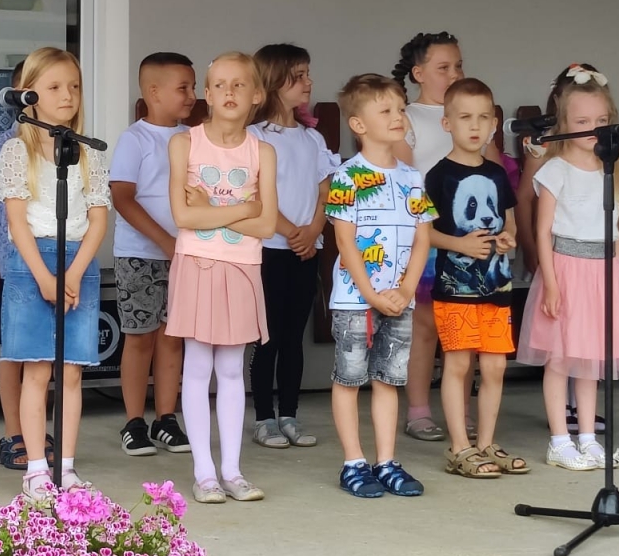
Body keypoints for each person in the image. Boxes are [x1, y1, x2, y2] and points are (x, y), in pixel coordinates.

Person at [0, 47, 110, 500]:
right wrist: (44, 277)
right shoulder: (16, 151)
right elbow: (17, 222)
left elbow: (98, 219)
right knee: (37, 371)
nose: (67, 95)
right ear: (29, 94)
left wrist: (74, 273)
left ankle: (67, 467)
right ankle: (37, 469)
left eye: (74, 86)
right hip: (31, 265)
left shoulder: (88, 152)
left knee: (72, 373)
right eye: (55, 86)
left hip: (79, 262)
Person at [515, 67, 619, 470]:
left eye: (601, 120)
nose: (593, 128)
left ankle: (588, 437)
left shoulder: (611, 166)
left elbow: (615, 224)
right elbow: (543, 231)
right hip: (567, 271)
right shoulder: (555, 170)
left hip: (603, 272)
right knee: (559, 360)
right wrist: (551, 284)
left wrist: (618, 271)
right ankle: (559, 440)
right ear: (564, 123)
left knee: (590, 362)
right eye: (582, 121)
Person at [166, 52, 277, 504]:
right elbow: (182, 216)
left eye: (239, 84)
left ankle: (232, 470)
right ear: (207, 95)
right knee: (197, 367)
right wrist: (243, 207)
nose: (229, 92)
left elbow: (267, 226)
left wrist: (210, 210)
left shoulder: (262, 151)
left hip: (243, 267)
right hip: (196, 263)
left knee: (232, 369)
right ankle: (205, 473)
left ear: (257, 95)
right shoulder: (184, 144)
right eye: (220, 85)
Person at [326, 73, 435, 499]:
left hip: (399, 299)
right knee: (349, 378)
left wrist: (406, 290)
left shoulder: (413, 177)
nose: (397, 116)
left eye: (401, 109)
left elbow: (423, 238)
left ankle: (386, 461)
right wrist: (371, 295)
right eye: (385, 110)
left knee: (389, 379)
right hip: (356, 300)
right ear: (358, 124)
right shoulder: (346, 177)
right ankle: (353, 462)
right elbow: (345, 241)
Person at [392, 31, 501, 443]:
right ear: (418, 73)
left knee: (467, 333)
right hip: (430, 236)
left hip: (474, 239)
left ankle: (462, 410)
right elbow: (406, 181)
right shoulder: (408, 118)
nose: (454, 73)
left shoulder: (473, 118)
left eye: (458, 65)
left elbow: (491, 171)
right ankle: (419, 409)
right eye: (443, 67)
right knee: (425, 327)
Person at [424, 79, 527, 478]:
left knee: (496, 367)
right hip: (456, 289)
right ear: (446, 123)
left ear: (494, 124)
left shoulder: (497, 174)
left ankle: (486, 443)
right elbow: (423, 232)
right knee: (458, 364)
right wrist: (459, 244)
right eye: (465, 117)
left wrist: (507, 238)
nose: (475, 126)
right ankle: (460, 447)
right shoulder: (438, 176)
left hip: (497, 288)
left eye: (484, 118)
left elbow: (509, 222)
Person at [248, 43, 339, 449]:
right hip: (269, 249)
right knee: (266, 336)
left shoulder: (312, 138)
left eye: (307, 74)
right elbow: (255, 194)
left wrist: (314, 228)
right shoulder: (254, 137)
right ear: (273, 82)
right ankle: (263, 417)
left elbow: (325, 191)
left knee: (293, 336)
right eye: (298, 76)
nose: (308, 82)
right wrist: (289, 231)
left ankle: (289, 414)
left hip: (306, 250)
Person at [110, 52, 196, 457]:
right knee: (140, 337)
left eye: (193, 86)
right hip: (139, 255)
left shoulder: (193, 138)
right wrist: (164, 241)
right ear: (153, 92)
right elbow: (122, 197)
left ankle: (166, 418)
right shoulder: (135, 139)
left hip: (185, 254)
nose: (192, 95)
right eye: (183, 88)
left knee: (172, 338)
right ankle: (133, 422)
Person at [514, 62, 605, 435]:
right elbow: (527, 199)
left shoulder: (607, 151)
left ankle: (582, 416)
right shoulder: (546, 147)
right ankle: (562, 418)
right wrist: (532, 249)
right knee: (560, 340)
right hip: (560, 252)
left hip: (596, 257)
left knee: (587, 340)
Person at [0, 60, 55, 471]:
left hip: (53, 265)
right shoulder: (4, 144)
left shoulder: (64, 145)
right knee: (14, 354)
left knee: (43, 356)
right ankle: (14, 433)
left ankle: (36, 429)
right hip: (12, 267)